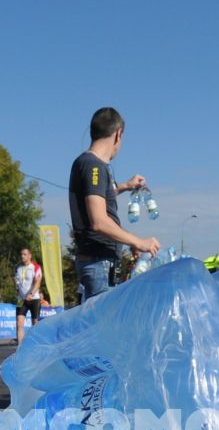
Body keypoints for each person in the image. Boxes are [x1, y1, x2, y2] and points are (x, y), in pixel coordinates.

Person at [67, 106, 160, 300]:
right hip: (99, 263)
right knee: (102, 327)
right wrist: (139, 242)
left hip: (99, 263)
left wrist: (126, 185)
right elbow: (99, 221)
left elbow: (97, 195)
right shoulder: (94, 165)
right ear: (118, 134)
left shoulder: (89, 164)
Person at [13, 247, 44, 342]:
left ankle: (36, 345)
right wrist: (17, 286)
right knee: (19, 323)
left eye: (24, 254)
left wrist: (31, 293)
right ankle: (20, 349)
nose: (22, 256)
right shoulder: (18, 267)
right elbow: (16, 280)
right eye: (21, 254)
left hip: (34, 299)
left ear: (30, 255)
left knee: (35, 323)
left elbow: (38, 282)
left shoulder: (36, 267)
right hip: (21, 300)